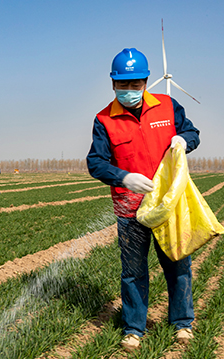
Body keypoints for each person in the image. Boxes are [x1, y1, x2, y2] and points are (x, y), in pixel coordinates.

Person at [86, 48, 200, 352]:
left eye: (135, 84)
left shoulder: (167, 106)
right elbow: (95, 162)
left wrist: (183, 140)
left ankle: (182, 323)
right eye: (122, 84)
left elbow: (193, 133)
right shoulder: (103, 119)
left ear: (146, 81)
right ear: (113, 84)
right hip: (129, 208)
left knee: (178, 264)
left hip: (167, 205)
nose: (129, 90)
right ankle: (134, 328)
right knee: (133, 271)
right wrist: (123, 177)